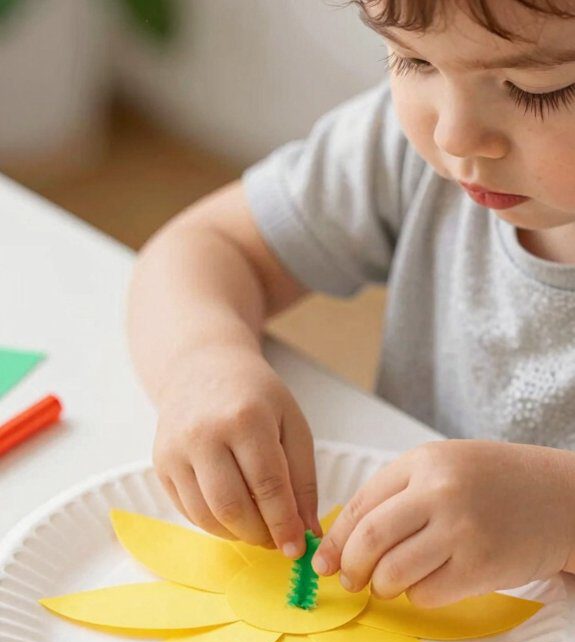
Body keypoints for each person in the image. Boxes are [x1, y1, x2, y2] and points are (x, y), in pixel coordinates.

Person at [128, 0, 575, 609]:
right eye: (412, 59)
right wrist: (201, 365)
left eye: (535, 89)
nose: (453, 135)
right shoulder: (402, 152)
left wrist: (559, 514)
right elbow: (204, 247)